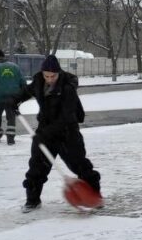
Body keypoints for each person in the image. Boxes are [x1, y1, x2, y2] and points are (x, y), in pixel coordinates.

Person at [14, 55, 101, 212]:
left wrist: (44, 133)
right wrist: (14, 100)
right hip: (45, 129)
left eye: (52, 76)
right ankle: (32, 200)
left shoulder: (67, 88)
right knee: (37, 166)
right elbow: (27, 91)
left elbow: (67, 118)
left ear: (59, 73)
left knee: (80, 165)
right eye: (46, 75)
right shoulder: (39, 81)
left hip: (67, 132)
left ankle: (95, 196)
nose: (49, 79)